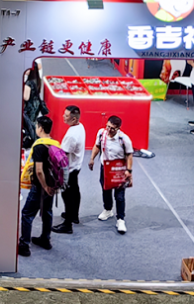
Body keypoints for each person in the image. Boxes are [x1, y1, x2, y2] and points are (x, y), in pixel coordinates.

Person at [18, 115, 57, 256]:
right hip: (52, 184)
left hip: (40, 186)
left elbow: (39, 171)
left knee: (27, 214)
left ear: (40, 128)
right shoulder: (55, 144)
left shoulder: (39, 146)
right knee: (47, 212)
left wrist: (44, 186)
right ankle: (45, 239)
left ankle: (24, 245)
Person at [89, 115, 132, 235]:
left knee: (119, 196)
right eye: (107, 126)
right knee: (105, 190)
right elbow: (97, 146)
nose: (109, 130)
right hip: (105, 168)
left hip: (119, 170)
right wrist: (92, 158)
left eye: (112, 128)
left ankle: (120, 219)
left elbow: (129, 155)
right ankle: (108, 210)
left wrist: (129, 171)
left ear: (118, 128)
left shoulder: (124, 139)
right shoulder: (101, 133)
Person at [53, 105, 85, 234]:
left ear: (74, 119)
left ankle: (67, 225)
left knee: (67, 195)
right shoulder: (80, 127)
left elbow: (63, 155)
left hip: (69, 169)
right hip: (76, 166)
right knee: (75, 191)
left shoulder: (72, 135)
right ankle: (74, 216)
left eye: (66, 116)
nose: (63, 117)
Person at [22, 65, 47, 148]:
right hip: (36, 106)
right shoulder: (37, 80)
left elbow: (26, 97)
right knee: (33, 123)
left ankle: (31, 139)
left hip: (29, 108)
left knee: (28, 124)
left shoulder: (28, 83)